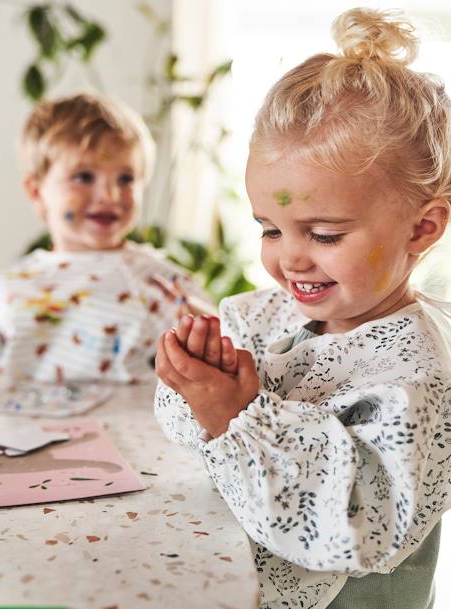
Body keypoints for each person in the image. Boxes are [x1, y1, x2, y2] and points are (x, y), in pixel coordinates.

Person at [154, 8, 451, 609]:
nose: (289, 261)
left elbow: (345, 528)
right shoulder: (269, 316)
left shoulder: (419, 377)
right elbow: (195, 443)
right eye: (269, 228)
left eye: (322, 234)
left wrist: (238, 415)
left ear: (422, 228)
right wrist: (195, 388)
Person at [0, 92, 211, 385]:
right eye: (84, 177)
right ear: (36, 191)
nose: (110, 196)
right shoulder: (9, 289)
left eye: (126, 179)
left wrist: (205, 328)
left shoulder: (164, 283)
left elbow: (220, 355)